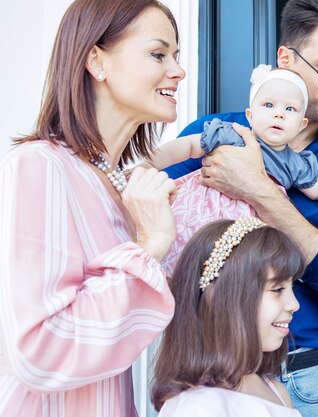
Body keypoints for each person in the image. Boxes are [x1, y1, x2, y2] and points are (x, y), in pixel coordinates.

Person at [162, 1, 318, 415]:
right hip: (208, 358)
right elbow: (160, 217)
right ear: (286, 58)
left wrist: (257, 189)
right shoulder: (214, 132)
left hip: (300, 369)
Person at [0, 0, 184, 416]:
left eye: (177, 56)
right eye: (159, 54)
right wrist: (149, 245)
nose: (178, 70)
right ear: (95, 62)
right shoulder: (39, 167)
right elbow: (40, 351)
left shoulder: (125, 186)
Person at [144, 64, 318, 233]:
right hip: (199, 213)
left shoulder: (294, 162)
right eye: (269, 105)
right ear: (250, 116)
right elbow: (187, 146)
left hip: (248, 232)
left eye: (290, 109)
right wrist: (146, 164)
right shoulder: (232, 134)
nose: (279, 113)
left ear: (301, 124)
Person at [152, 218, 305, 417]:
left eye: (292, 287)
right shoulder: (198, 408)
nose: (294, 304)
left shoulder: (276, 390)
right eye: (277, 289)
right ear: (218, 297)